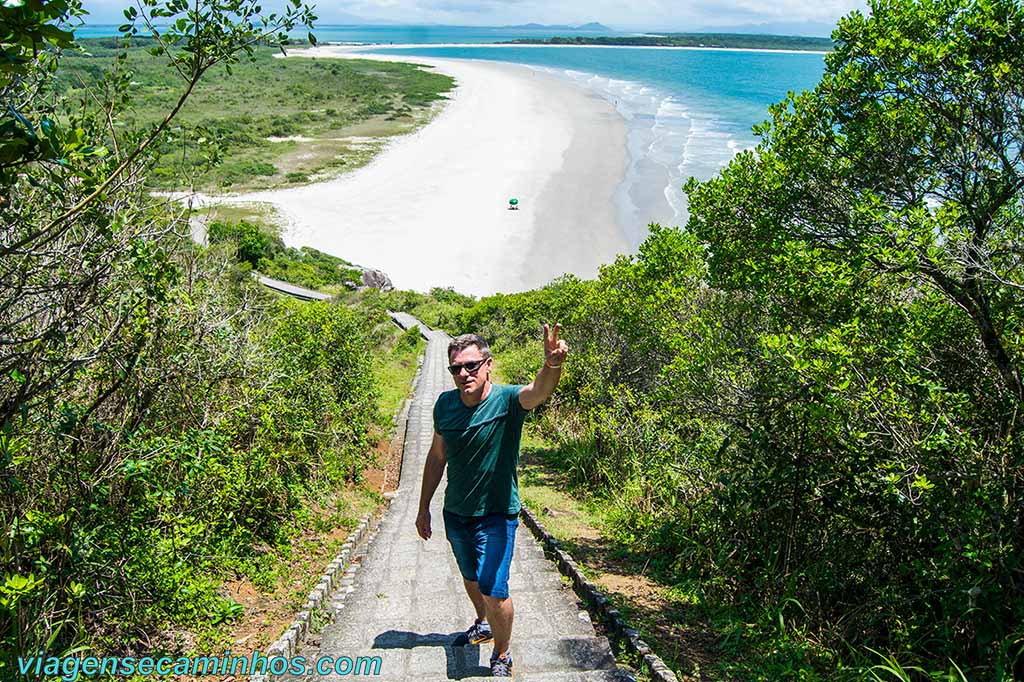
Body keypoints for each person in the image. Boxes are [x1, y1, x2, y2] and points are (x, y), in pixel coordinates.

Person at [415, 324, 569, 678]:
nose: (464, 373)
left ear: (488, 365)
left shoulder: (507, 400)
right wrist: (423, 507)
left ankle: (502, 654)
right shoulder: (444, 404)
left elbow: (538, 392)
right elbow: (437, 456)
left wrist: (552, 365)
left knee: (493, 588)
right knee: (471, 578)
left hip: (497, 516)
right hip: (456, 513)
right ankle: (483, 623)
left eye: (471, 365)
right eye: (456, 368)